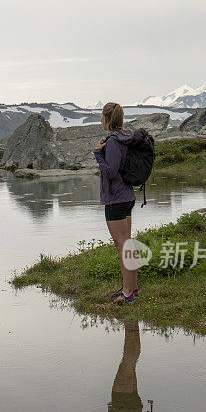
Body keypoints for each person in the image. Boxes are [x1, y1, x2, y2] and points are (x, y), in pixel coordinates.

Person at [94, 102, 138, 304]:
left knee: (123, 246)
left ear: (107, 118)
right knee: (127, 245)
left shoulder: (112, 142)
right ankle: (131, 290)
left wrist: (98, 154)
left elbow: (111, 172)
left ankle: (128, 293)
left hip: (116, 199)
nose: (101, 120)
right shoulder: (125, 137)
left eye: (102, 116)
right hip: (127, 196)